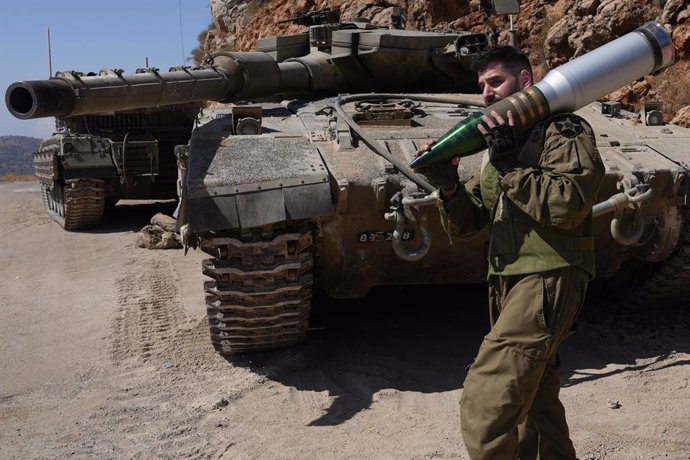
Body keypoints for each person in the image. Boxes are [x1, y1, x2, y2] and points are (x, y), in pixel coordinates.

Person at [416, 46, 605, 458]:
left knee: (487, 404)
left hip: (547, 276)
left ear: (524, 81)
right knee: (534, 404)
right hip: (508, 283)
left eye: (495, 81)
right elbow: (469, 221)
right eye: (481, 85)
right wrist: (446, 183)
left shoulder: (562, 130)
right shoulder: (500, 147)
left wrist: (510, 167)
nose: (485, 93)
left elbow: (567, 204)